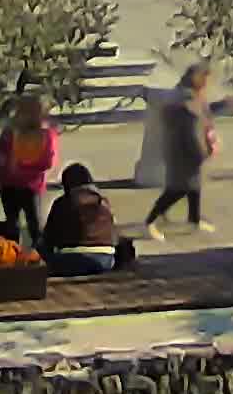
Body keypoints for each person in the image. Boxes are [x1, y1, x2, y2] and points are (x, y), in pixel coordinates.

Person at [141, 63, 218, 235]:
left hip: (183, 149)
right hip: (184, 151)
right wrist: (200, 152)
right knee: (178, 189)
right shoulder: (187, 100)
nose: (207, 84)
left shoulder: (191, 96)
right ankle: (151, 221)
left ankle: (194, 220)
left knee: (194, 186)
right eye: (205, 79)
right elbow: (190, 131)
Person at [0, 94, 58, 248]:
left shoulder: (44, 133)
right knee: (16, 226)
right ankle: (17, 257)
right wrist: (0, 164)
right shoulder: (12, 131)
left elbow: (47, 161)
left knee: (32, 227)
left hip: (28, 185)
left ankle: (36, 257)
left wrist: (15, 165)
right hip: (13, 184)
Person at [42, 164, 131, 276]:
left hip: (70, 260)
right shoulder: (103, 202)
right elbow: (115, 234)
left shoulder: (62, 203)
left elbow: (48, 238)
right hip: (104, 260)